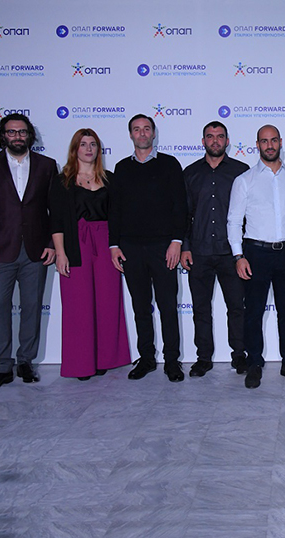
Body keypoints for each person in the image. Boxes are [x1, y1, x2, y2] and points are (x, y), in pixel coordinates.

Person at [0, 113, 57, 391]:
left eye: (22, 132)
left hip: (36, 251)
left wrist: (51, 243)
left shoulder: (46, 165)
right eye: (11, 132)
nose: (17, 136)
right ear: (3, 136)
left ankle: (25, 362)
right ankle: (2, 367)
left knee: (32, 307)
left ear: (29, 135)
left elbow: (55, 209)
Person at [227, 124, 285, 389]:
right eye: (264, 141)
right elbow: (234, 221)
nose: (269, 145)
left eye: (273, 140)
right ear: (257, 145)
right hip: (255, 253)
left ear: (280, 142)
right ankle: (254, 363)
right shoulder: (244, 180)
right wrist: (238, 256)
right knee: (253, 312)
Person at [108, 114, 187, 382]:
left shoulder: (169, 164)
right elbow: (115, 210)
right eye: (136, 129)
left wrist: (176, 241)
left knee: (167, 306)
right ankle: (147, 358)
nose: (142, 133)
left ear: (154, 133)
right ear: (130, 134)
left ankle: (172, 361)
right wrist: (114, 245)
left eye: (146, 129)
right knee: (141, 307)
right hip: (130, 248)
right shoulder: (121, 168)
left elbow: (180, 206)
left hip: (164, 247)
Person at [49, 129, 131, 380]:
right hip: (76, 243)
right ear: (75, 149)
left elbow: (118, 215)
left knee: (108, 301)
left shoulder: (109, 179)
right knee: (78, 305)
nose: (88, 149)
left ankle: (105, 358)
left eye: (93, 144)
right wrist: (60, 253)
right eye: (83, 144)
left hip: (106, 243)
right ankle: (81, 364)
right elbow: (57, 220)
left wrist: (116, 246)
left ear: (98, 149)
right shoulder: (62, 180)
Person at [181, 121, 249, 377]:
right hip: (199, 252)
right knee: (200, 309)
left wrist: (243, 251)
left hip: (231, 253)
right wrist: (185, 246)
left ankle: (239, 355)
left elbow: (249, 213)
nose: (215, 141)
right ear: (203, 141)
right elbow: (183, 214)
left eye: (220, 136)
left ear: (227, 141)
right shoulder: (190, 173)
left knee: (237, 307)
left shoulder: (240, 172)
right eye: (210, 136)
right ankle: (203, 358)